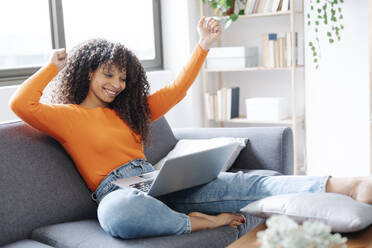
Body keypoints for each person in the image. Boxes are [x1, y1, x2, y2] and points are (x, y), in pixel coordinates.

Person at [9, 16, 372, 240]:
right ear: (88, 71)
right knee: (116, 215)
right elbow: (21, 105)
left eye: (123, 78)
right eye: (108, 74)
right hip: (118, 193)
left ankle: (344, 185)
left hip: (157, 180)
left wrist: (203, 46)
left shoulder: (130, 111)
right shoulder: (67, 116)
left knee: (247, 182)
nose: (117, 85)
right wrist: (50, 67)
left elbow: (178, 89)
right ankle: (196, 223)